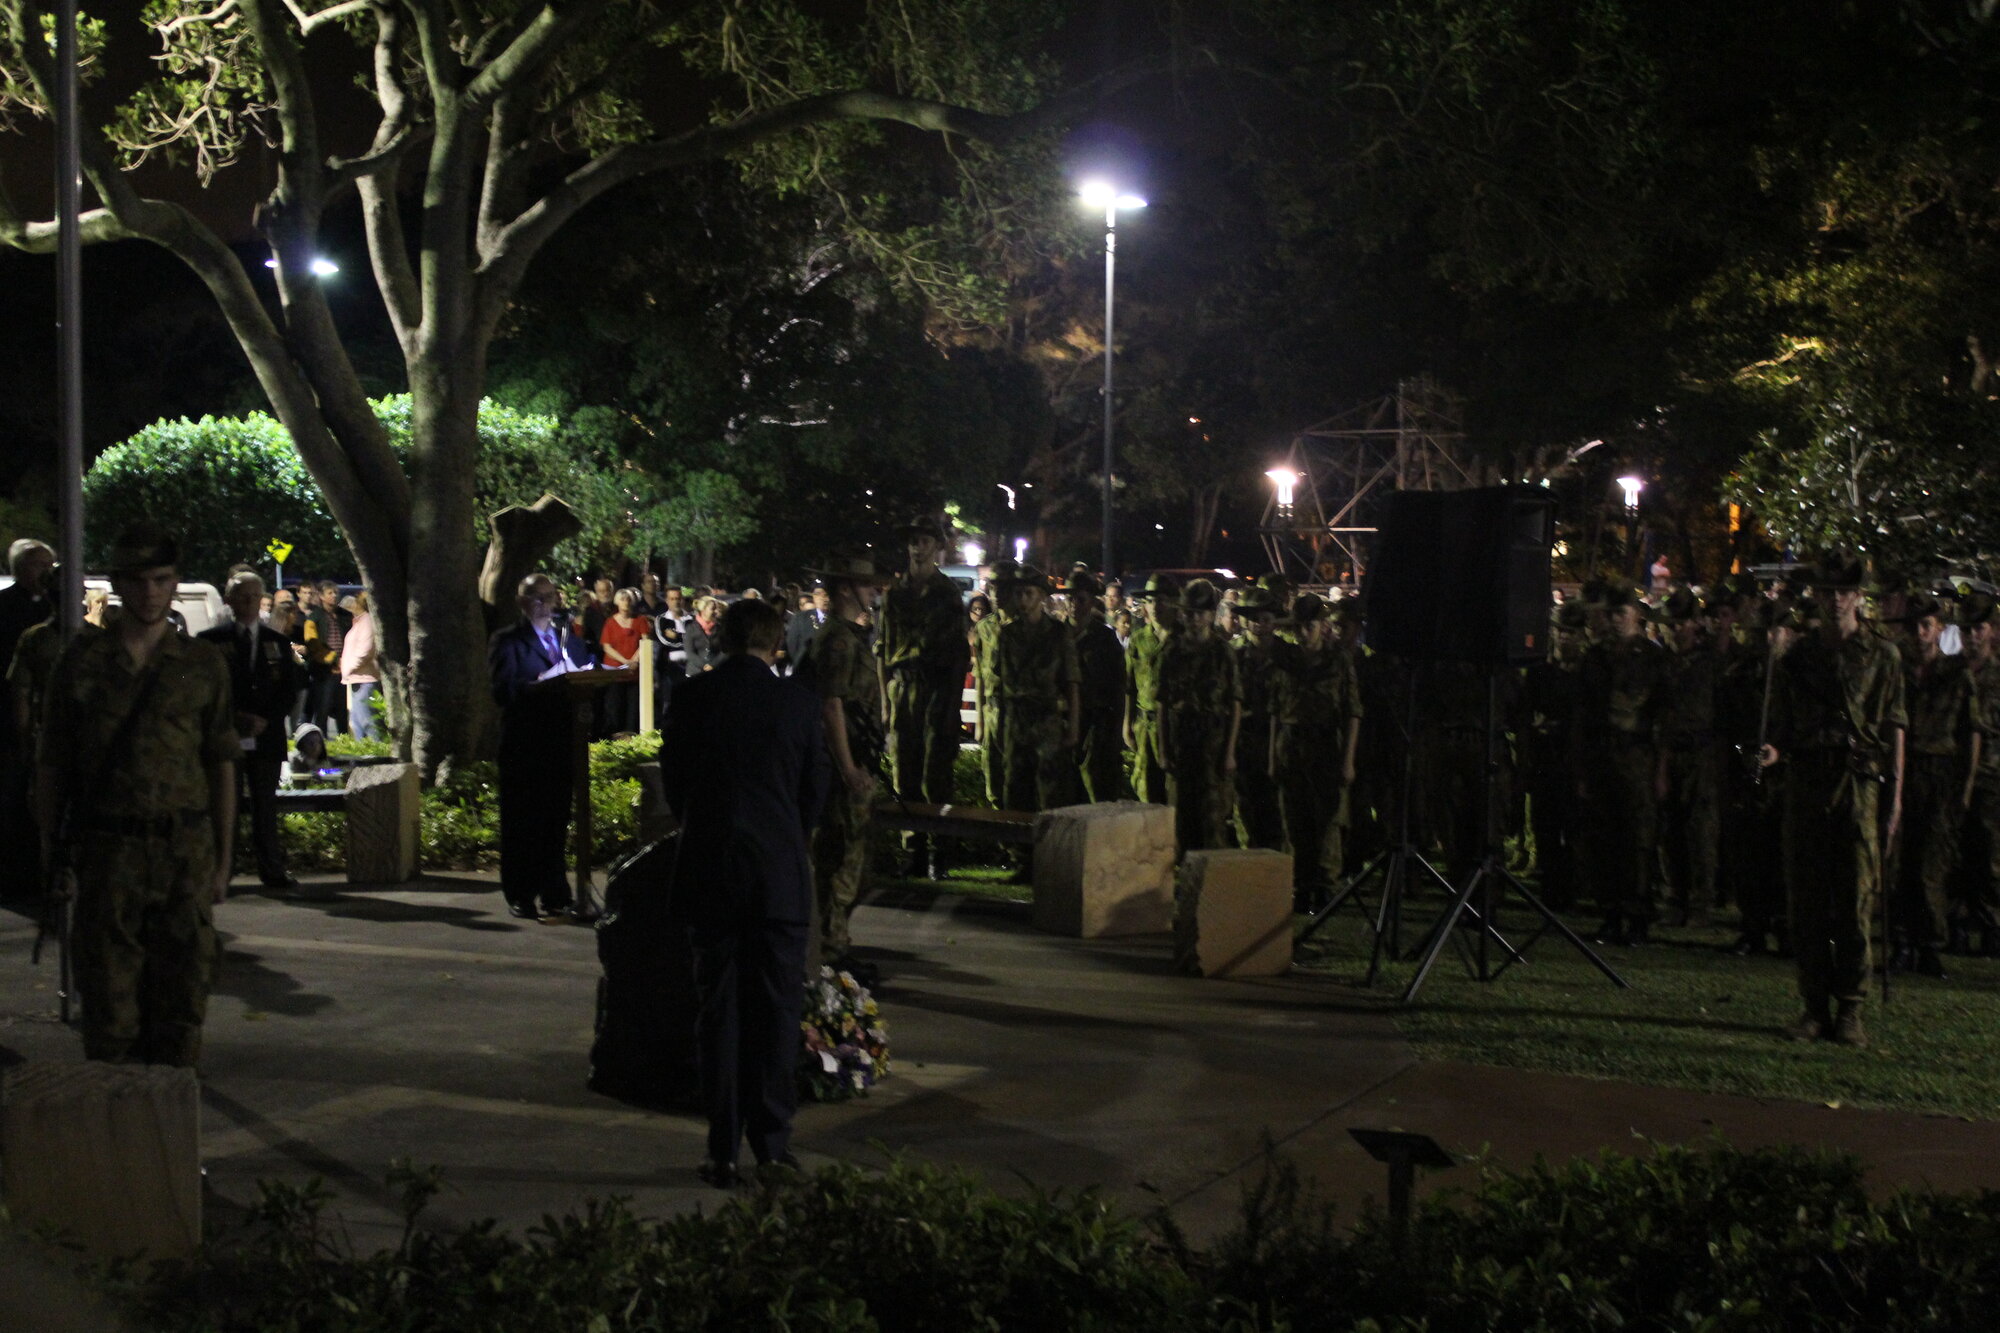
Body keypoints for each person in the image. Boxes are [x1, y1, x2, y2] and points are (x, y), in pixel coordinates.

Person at [37, 524, 238, 1067]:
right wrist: (51, 853)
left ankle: (167, 1148)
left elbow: (221, 765)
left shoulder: (202, 666)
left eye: (162, 579)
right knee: (110, 1017)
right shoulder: (81, 663)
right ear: (120, 584)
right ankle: (119, 1146)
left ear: (175, 583)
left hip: (183, 853)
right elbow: (53, 764)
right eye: (137, 580)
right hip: (108, 854)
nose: (150, 591)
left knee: (181, 1014)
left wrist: (222, 861)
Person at [661, 598, 830, 1188]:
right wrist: (787, 837)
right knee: (777, 1012)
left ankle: (721, 1147)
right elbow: (815, 793)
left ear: (725, 639)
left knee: (719, 1012)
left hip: (711, 869)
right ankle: (774, 1145)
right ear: (775, 641)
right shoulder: (798, 704)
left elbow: (676, 786)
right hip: (777, 874)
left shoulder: (692, 698)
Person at [1761, 555, 1906, 1048]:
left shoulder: (1883, 655)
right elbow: (1781, 726)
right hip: (1807, 782)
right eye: (1828, 591)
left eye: (1845, 591)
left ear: (1858, 596)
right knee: (1807, 902)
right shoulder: (1798, 658)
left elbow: (1894, 727)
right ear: (1818, 597)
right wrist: (1772, 750)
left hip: (1859, 785)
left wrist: (1896, 798)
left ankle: (1851, 1009)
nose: (1836, 598)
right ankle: (1813, 1007)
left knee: (1853, 901)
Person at [800, 553, 890, 972]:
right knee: (841, 861)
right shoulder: (836, 639)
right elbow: (831, 706)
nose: (873, 591)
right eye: (866, 584)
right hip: (843, 768)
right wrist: (849, 767)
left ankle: (834, 943)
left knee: (854, 861)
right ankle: (830, 953)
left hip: (856, 760)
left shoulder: (850, 636)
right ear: (845, 590)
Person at [487, 572, 592, 921]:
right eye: (535, 598)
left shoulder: (569, 640)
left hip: (562, 743)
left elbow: (585, 676)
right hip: (524, 745)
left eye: (547, 597)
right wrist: (539, 684)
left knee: (555, 822)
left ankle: (555, 893)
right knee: (522, 822)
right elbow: (503, 691)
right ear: (521, 602)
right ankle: (521, 893)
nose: (543, 605)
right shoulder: (508, 641)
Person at [1575, 584, 1670, 947]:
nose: (1615, 620)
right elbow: (1583, 717)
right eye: (1611, 614)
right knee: (1605, 837)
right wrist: (1582, 769)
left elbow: (1664, 716)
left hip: (1638, 757)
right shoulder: (1595, 657)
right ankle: (1611, 914)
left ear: (1636, 615)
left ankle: (1638, 916)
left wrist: (1661, 769)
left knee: (1639, 839)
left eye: (1622, 613)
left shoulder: (1652, 658)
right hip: (1602, 756)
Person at [199, 571, 305, 890]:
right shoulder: (210, 642)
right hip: (225, 735)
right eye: (241, 596)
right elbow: (203, 689)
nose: (248, 602)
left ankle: (271, 869)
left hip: (266, 735)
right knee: (223, 806)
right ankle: (221, 872)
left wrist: (266, 720)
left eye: (253, 596)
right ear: (228, 600)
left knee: (265, 805)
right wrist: (233, 716)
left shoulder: (278, 643)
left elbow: (290, 689)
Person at [877, 516, 970, 876]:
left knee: (937, 777)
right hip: (903, 687)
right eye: (913, 540)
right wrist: (885, 703)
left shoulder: (947, 594)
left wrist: (951, 706)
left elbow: (958, 655)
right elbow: (882, 652)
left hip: (936, 688)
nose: (918, 547)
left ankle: (939, 854)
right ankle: (912, 852)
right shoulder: (893, 596)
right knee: (904, 776)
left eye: (925, 541)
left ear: (937, 546)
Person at [1890, 593, 1975, 977]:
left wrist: (1965, 786)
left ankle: (1928, 943)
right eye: (1915, 627)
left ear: (1939, 630)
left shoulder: (1957, 674)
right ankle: (1902, 942)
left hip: (1939, 772)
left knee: (1931, 863)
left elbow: (1970, 733)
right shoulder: (1897, 671)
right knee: (1900, 862)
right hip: (1903, 770)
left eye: (1928, 626)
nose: (1921, 633)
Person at [1273, 594, 1363, 907]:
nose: (1302, 632)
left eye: (1308, 626)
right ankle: (1301, 883)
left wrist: (1348, 759)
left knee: (1328, 820)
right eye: (1298, 627)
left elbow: (1353, 711)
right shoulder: (1286, 659)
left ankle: (1326, 885)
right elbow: (1276, 709)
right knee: (1295, 818)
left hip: (1325, 745)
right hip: (1291, 743)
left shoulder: (1337, 660)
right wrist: (1274, 754)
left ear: (1322, 626)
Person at [992, 566, 1081, 845]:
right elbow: (999, 683)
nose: (1023, 599)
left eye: (1029, 593)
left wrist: (1073, 727)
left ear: (1042, 597)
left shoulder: (1057, 633)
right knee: (1015, 788)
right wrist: (998, 723)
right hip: (1016, 720)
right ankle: (1020, 856)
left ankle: (1049, 854)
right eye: (1019, 593)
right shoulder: (1007, 635)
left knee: (1049, 790)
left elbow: (1071, 683)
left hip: (1046, 720)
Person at [1156, 578, 1241, 852]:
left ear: (1210, 615)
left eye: (1199, 613)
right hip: (1182, 743)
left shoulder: (1222, 652)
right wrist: (1164, 748)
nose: (1193, 619)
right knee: (1181, 818)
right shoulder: (1172, 651)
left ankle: (1212, 883)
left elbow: (1234, 704)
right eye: (1189, 612)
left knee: (1213, 819)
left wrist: (1229, 752)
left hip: (1213, 746)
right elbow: (1163, 704)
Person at [0, 538, 54, 902]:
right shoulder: (4, 608)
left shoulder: (58, 607)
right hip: (10, 725)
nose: (47, 573)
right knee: (13, 801)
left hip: (52, 725)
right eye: (39, 565)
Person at [1231, 587, 1290, 850]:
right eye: (1252, 617)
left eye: (1264, 618)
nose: (1258, 624)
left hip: (1279, 741)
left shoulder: (1287, 655)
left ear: (1274, 620)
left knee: (1278, 812)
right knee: (1246, 810)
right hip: (1243, 740)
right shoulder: (1232, 653)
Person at [1068, 571, 1127, 804]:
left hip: (1097, 726)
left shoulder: (1105, 639)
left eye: (1080, 599)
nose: (1074, 605)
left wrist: (1116, 732)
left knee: (1099, 795)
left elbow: (1119, 686)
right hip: (1063, 725)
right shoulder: (1056, 634)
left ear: (1091, 602)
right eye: (1070, 598)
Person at [1124, 574, 1180, 806]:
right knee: (1147, 793)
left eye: (1161, 600)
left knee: (1176, 794)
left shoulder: (1184, 638)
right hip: (1145, 726)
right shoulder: (1138, 640)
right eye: (1150, 601)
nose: (1155, 606)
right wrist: (1127, 724)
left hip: (1176, 727)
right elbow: (1129, 687)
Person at [597, 587, 652, 735]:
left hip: (635, 671)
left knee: (633, 708)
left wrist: (634, 660)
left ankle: (632, 739)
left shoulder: (640, 620)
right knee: (615, 707)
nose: (626, 602)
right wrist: (624, 661)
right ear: (617, 602)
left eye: (628, 599)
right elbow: (607, 647)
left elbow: (645, 641)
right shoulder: (610, 622)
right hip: (614, 671)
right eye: (622, 599)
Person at [302, 580, 350, 735]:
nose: (334, 596)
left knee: (343, 710)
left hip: (345, 669)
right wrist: (332, 658)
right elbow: (313, 644)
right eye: (330, 593)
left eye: (336, 593)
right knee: (322, 708)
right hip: (324, 670)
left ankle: (345, 740)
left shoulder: (345, 616)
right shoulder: (314, 618)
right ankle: (321, 742)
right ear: (321, 596)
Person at [339, 590, 382, 742]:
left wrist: (348, 668)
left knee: (368, 722)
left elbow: (365, 650)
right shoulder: (359, 622)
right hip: (356, 678)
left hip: (365, 678)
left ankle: (376, 753)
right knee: (357, 723)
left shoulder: (367, 622)